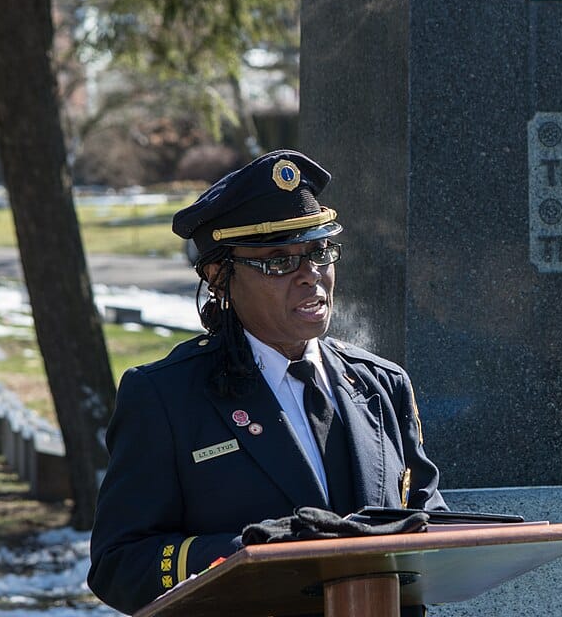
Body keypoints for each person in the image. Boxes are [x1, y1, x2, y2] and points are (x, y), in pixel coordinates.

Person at [88, 150, 447, 614]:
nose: (310, 277)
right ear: (219, 276)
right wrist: (247, 552)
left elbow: (432, 527)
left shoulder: (382, 385)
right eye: (279, 261)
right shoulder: (164, 398)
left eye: (319, 252)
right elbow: (118, 565)